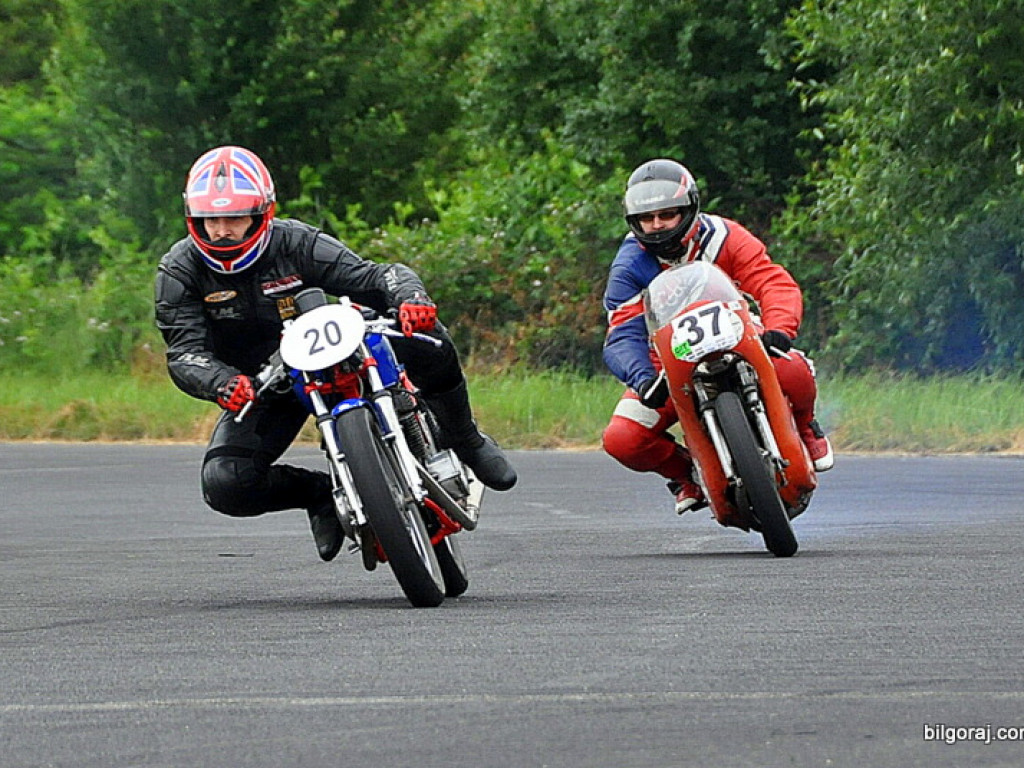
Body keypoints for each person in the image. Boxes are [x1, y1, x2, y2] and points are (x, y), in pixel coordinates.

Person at [155, 145, 516, 562]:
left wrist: (410, 297)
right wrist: (222, 382)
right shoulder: (178, 270)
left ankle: (464, 436)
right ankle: (320, 497)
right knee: (225, 483)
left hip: (338, 353)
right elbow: (183, 352)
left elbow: (378, 276)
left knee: (428, 335)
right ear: (192, 219)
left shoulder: (296, 242)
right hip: (265, 384)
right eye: (210, 220)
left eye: (234, 218)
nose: (221, 231)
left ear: (262, 214)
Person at [601, 158, 833, 515]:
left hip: (740, 334)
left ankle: (806, 427)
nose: (657, 225)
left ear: (690, 208)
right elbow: (622, 333)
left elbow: (772, 281)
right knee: (623, 439)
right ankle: (687, 474)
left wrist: (779, 329)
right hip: (668, 362)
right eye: (648, 219)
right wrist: (643, 378)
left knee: (794, 370)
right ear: (634, 222)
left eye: (668, 214)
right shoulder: (629, 266)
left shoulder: (725, 236)